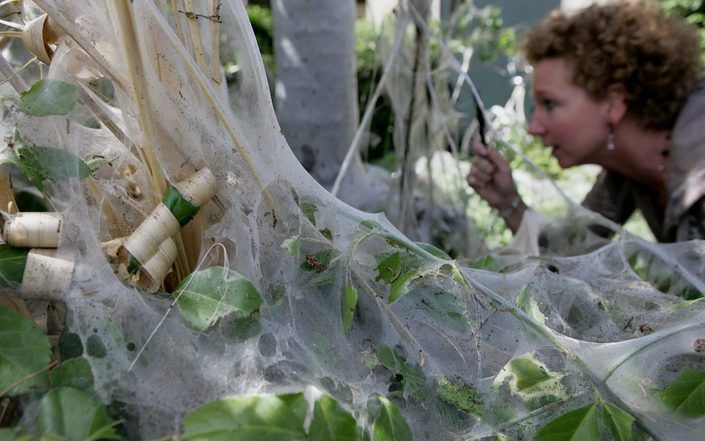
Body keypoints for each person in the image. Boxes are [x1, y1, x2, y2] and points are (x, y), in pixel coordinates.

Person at [467, 1, 705, 242]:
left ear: (613, 104)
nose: (533, 128)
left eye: (549, 103)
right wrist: (508, 202)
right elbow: (570, 251)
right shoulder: (624, 172)